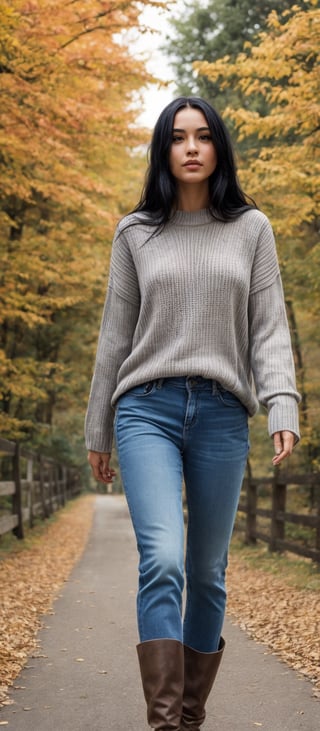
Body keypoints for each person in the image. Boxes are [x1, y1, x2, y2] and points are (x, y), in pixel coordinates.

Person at [85, 97, 300, 730]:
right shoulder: (134, 232)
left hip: (221, 413)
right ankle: (164, 724)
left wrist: (281, 401)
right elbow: (113, 338)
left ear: (218, 148)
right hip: (145, 409)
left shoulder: (252, 230)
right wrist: (98, 425)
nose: (191, 148)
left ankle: (189, 716)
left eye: (204, 137)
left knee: (206, 574)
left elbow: (269, 329)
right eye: (178, 138)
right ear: (164, 149)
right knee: (165, 560)